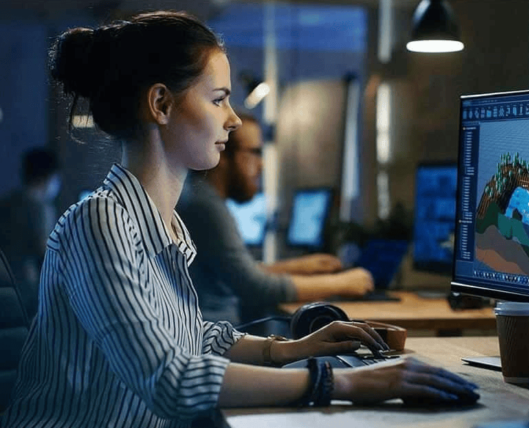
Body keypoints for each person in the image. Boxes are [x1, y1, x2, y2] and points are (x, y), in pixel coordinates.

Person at [1, 11, 478, 427]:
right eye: (218, 99)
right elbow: (171, 380)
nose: (232, 119)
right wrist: (345, 383)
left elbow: (189, 335)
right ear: (161, 104)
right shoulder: (99, 223)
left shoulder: (161, 224)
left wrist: (291, 349)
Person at [178, 114, 372, 325]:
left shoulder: (199, 196)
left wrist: (298, 266)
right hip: (216, 345)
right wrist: (343, 283)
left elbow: (238, 272)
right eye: (255, 152)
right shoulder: (205, 206)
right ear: (222, 153)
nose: (261, 165)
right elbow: (255, 287)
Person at [0, 147, 60, 318]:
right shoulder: (40, 208)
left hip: (5, 290)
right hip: (26, 292)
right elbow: (47, 253)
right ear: (47, 177)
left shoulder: (5, 203)